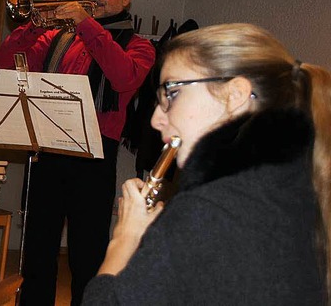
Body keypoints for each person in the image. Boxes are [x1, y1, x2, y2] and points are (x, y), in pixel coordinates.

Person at [82, 23, 329, 305]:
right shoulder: (295, 192)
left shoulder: (209, 210)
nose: (155, 120)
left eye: (172, 92)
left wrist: (124, 240)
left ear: (235, 95)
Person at [0, 0, 156, 305]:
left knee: (86, 255)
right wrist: (33, 23)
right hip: (48, 152)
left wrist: (86, 24)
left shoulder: (139, 46)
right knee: (37, 252)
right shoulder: (59, 37)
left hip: (95, 157)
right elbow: (8, 62)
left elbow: (124, 78)